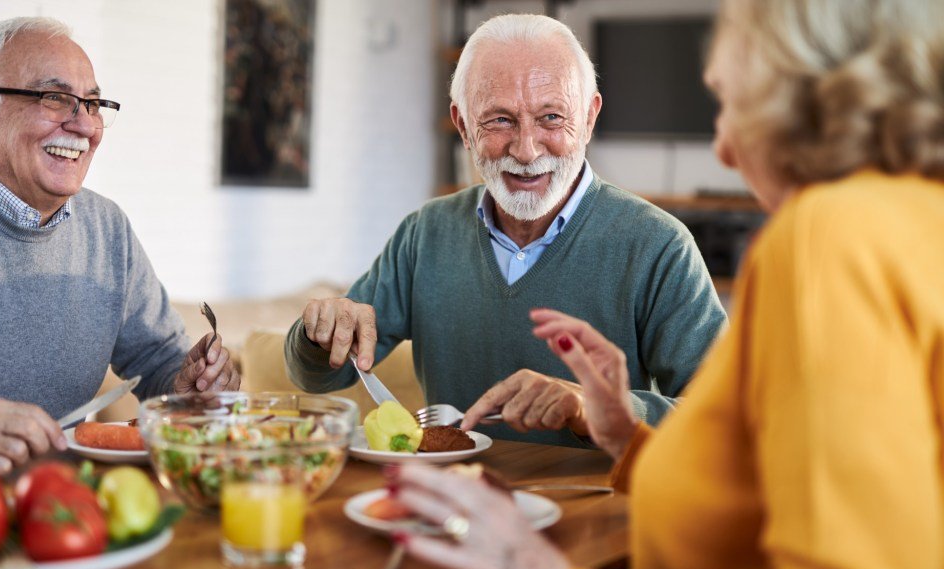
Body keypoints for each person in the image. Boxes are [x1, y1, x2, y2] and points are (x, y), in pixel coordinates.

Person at [390, 0, 944, 569]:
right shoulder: (916, 224)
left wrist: (532, 566)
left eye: (730, 103)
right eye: (501, 119)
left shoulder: (828, 238)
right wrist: (624, 432)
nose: (723, 149)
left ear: (806, 104)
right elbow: (762, 494)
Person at [284, 14, 726, 447]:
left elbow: (723, 416)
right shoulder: (425, 234)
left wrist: (596, 408)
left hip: (591, 510)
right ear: (462, 126)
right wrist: (319, 332)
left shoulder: (658, 245)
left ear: (589, 118)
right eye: (499, 120)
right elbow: (322, 374)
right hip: (448, 506)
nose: (527, 150)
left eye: (551, 117)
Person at [0, 17, 240, 474]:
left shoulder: (107, 228)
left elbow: (160, 363)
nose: (87, 126)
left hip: (69, 509)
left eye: (92, 103)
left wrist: (190, 386)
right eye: (54, 98)